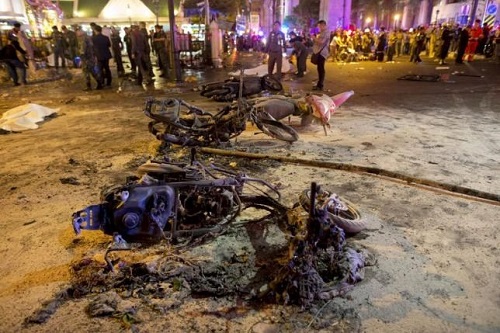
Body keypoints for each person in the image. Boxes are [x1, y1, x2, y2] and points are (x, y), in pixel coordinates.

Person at [311, 20, 330, 91]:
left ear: (323, 25)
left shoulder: (326, 32)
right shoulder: (322, 32)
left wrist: (314, 38)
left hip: (322, 53)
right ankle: (319, 84)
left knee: (321, 69)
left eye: (319, 26)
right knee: (319, 68)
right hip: (319, 52)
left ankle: (320, 85)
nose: (319, 28)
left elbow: (322, 42)